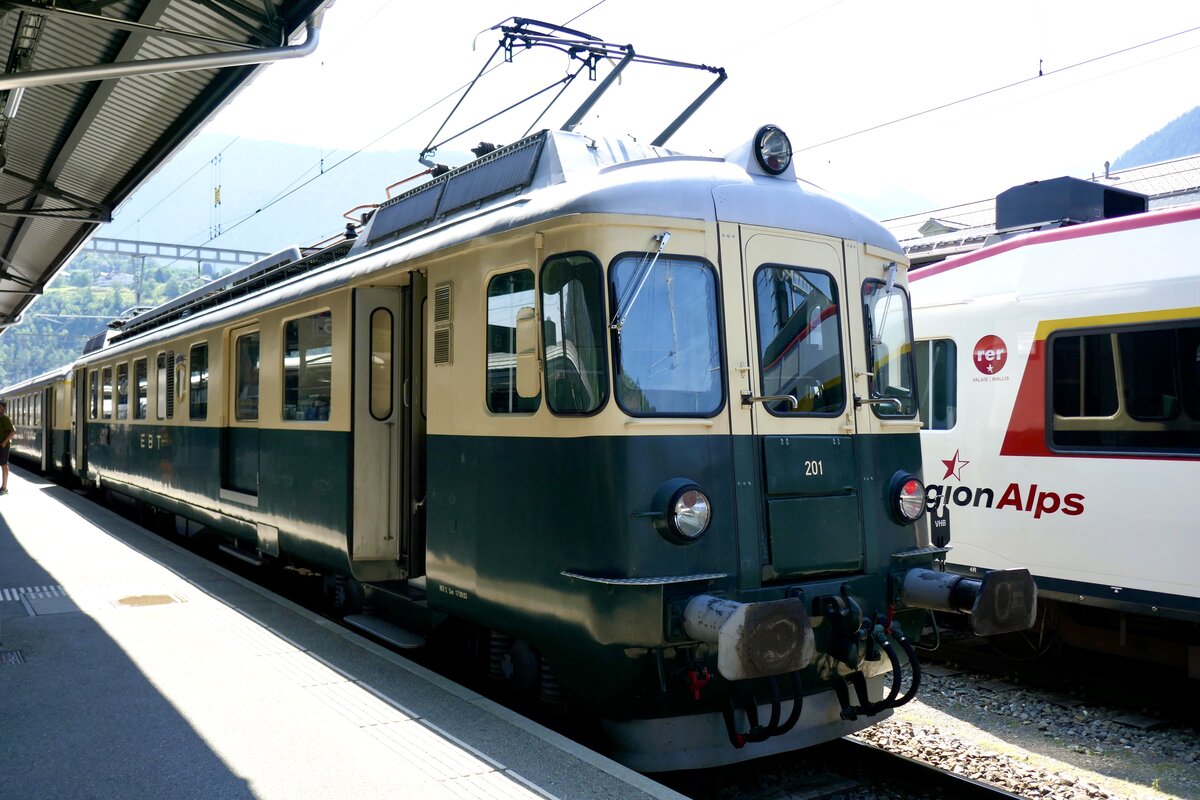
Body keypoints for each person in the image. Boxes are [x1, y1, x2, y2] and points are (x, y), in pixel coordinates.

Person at [0, 400, 12, 495]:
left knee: (4, 465)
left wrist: (4, 442)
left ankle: (4, 488)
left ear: (4, 408)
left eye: (0, 407)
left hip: (3, 446)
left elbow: (12, 431)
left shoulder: (5, 418)